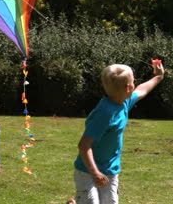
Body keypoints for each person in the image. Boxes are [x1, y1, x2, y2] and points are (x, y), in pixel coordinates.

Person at [70, 60, 164, 204]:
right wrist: (94, 172)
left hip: (110, 169)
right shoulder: (104, 113)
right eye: (133, 82)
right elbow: (84, 145)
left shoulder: (123, 101)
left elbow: (141, 90)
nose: (134, 85)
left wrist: (158, 77)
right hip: (87, 171)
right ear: (127, 88)